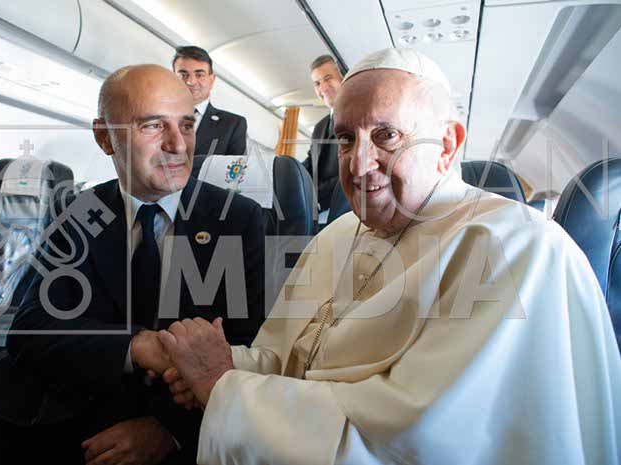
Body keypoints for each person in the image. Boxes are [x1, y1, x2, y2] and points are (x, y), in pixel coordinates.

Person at [157, 49, 621, 465]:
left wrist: (224, 387)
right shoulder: (337, 235)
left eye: (386, 135)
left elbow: (411, 444)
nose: (358, 164)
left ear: (446, 145)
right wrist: (223, 365)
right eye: (345, 139)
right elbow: (287, 362)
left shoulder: (517, 247)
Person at [0, 64, 265, 465]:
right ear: (104, 137)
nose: (178, 145)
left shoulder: (236, 218)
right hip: (53, 407)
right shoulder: (79, 210)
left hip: (175, 421)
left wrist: (170, 431)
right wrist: (137, 346)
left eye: (186, 126)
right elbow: (32, 330)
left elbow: (249, 352)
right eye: (154, 126)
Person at [172, 46, 248, 177]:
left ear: (211, 80)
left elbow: (233, 176)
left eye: (199, 75)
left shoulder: (233, 124)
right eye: (183, 75)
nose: (190, 81)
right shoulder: (155, 115)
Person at [303, 55, 343, 213]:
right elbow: (311, 163)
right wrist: (285, 171)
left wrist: (317, 198)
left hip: (346, 208)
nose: (323, 87)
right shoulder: (319, 127)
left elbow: (355, 170)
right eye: (317, 83)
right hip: (318, 210)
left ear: (343, 78)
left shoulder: (359, 117)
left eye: (328, 78)